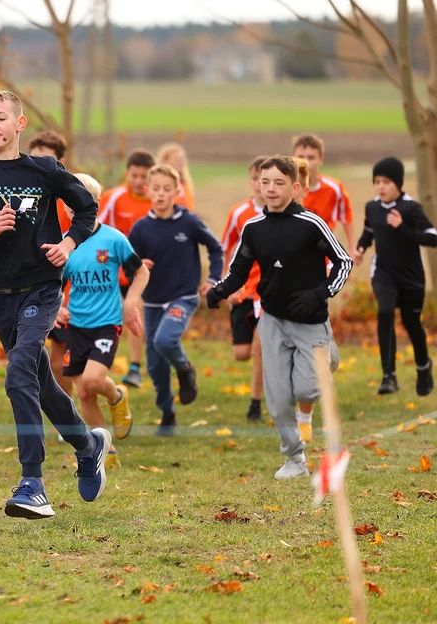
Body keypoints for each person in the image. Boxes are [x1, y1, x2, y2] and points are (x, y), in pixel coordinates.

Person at [0, 89, 110, 520]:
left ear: (19, 124)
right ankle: (89, 447)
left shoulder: (45, 170)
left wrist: (70, 242)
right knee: (43, 386)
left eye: (0, 117)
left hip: (41, 289)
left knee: (19, 375)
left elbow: (87, 208)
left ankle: (32, 483)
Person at [207, 155, 352, 480]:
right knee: (278, 398)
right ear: (258, 184)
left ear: (295, 187)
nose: (270, 188)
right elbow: (238, 272)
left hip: (311, 319)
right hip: (271, 320)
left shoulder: (311, 224)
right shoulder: (254, 228)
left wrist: (319, 294)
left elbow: (344, 263)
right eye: (265, 181)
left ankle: (326, 351)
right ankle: (295, 460)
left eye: (279, 182)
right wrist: (217, 291)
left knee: (306, 390)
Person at [57, 173, 149, 468]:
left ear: (94, 205)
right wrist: (58, 306)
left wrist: (131, 301)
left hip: (107, 323)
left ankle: (116, 394)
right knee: (83, 392)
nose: (74, 207)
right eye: (69, 202)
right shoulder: (63, 246)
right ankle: (104, 452)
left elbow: (141, 273)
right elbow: (54, 287)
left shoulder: (113, 239)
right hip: (76, 326)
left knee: (93, 380)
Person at [128, 164, 223, 436]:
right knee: (155, 365)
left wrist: (213, 279)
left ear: (177, 191)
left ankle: (185, 369)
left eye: (167, 189)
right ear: (147, 191)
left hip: (183, 297)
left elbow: (215, 248)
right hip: (153, 302)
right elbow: (127, 263)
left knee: (164, 340)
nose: (160, 194)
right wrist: (137, 264)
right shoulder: (141, 228)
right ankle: (167, 412)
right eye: (155, 189)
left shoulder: (189, 222)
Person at [353, 156, 436, 397]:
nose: (380, 187)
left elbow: (432, 237)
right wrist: (360, 249)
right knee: (386, 311)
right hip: (384, 273)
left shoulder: (411, 208)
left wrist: (404, 228)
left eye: (386, 182)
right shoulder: (372, 207)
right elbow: (369, 231)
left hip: (411, 278)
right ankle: (389, 375)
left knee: (412, 324)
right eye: (377, 181)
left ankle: (423, 366)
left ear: (398, 183)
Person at [97, 149, 156, 389]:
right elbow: (96, 229)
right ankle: (102, 361)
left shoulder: (159, 198)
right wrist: (104, 260)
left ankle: (134, 366)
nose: (140, 182)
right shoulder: (114, 197)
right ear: (127, 174)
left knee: (136, 312)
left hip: (146, 270)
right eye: (135, 176)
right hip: (116, 267)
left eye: (145, 176)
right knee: (113, 316)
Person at [221, 156, 267, 423]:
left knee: (261, 347)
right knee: (242, 353)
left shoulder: (280, 214)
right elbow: (226, 249)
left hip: (267, 292)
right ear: (251, 182)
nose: (261, 185)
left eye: (266, 180)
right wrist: (227, 285)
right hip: (241, 290)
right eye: (256, 179)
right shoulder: (239, 213)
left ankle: (256, 403)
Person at [27, 131, 72, 394]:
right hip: (34, 289)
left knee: (63, 362)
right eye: (34, 160)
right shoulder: (25, 200)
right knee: (35, 359)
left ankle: (72, 417)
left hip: (69, 295)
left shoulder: (72, 201)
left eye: (47, 160)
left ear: (61, 162)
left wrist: (64, 302)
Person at [293, 134, 355, 248]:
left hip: (324, 258)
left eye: (311, 157)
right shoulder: (285, 189)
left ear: (321, 160)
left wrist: (352, 248)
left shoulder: (334, 188)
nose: (305, 162)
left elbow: (347, 217)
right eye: (300, 157)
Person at [157, 143, 196, 211]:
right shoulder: (159, 185)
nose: (181, 163)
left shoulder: (184, 184)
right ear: (165, 161)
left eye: (183, 159)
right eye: (177, 160)